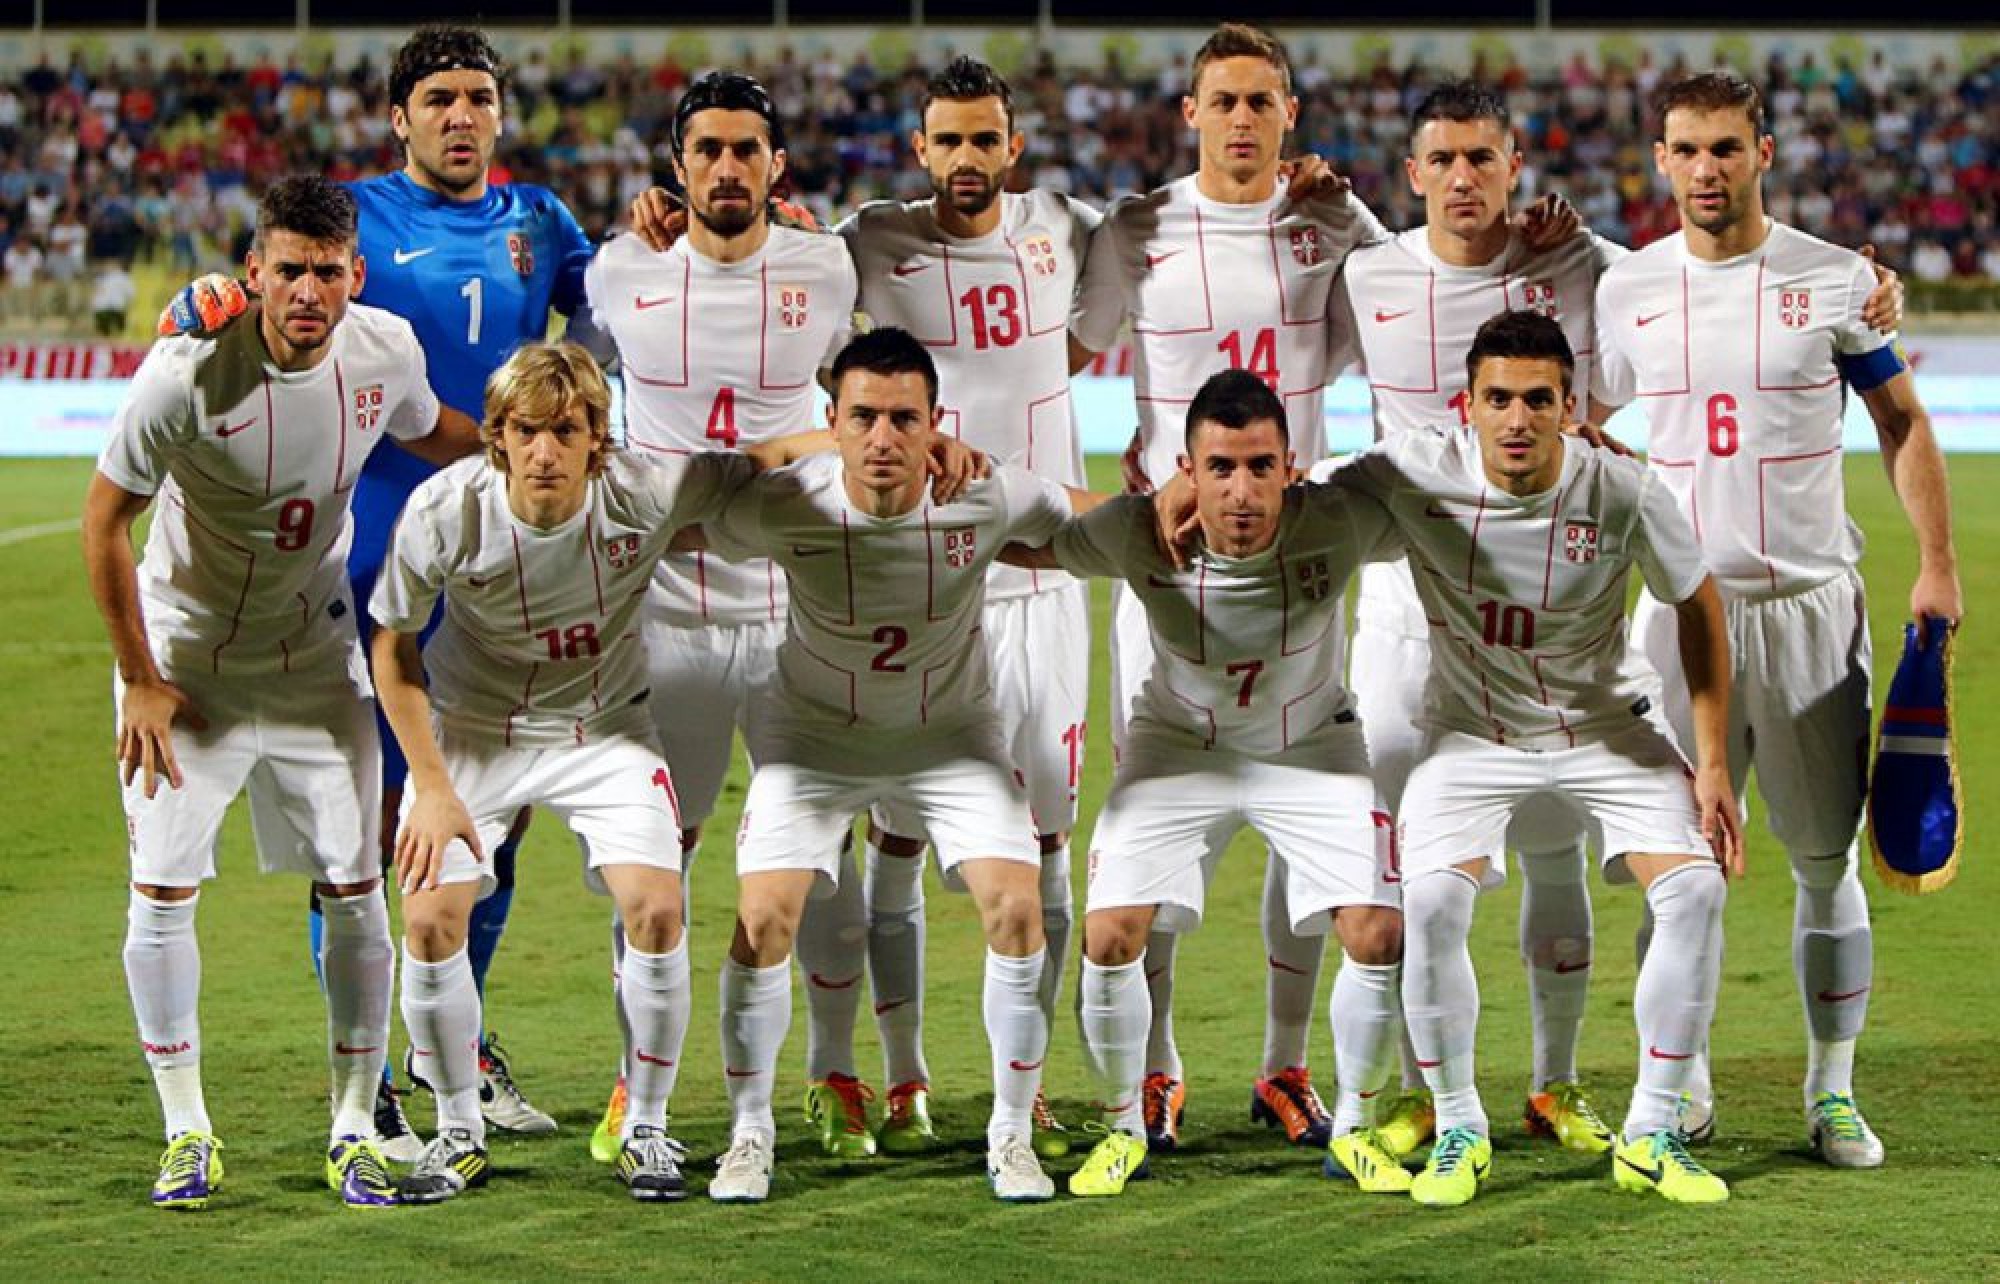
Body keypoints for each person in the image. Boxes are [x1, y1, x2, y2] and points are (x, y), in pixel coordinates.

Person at [161, 24, 596, 1148]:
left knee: (494, 815)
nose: (462, 116)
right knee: (370, 832)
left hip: (508, 564)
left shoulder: (542, 222)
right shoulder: (352, 221)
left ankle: (455, 1046)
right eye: (439, 98)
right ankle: (372, 1080)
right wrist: (205, 295)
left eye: (479, 97)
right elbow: (247, 293)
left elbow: (628, 298)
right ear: (399, 117)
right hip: (371, 565)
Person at [370, 343, 868, 1205]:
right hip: (474, 733)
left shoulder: (643, 490)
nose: (545, 452)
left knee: (657, 908)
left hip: (604, 729)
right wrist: (433, 786)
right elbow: (392, 647)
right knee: (428, 920)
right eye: (526, 431)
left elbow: (756, 464)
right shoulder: (445, 511)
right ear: (497, 435)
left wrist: (851, 440)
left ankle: (647, 1124)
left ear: (598, 439)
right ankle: (456, 1129)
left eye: (566, 432)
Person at [80, 175, 480, 1211]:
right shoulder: (184, 372)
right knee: (163, 891)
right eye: (290, 269)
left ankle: (354, 1127)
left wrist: (533, 445)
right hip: (189, 665)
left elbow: (433, 428)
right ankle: (186, 1132)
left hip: (312, 655)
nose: (310, 291)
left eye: (328, 271)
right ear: (254, 271)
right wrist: (139, 679)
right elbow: (104, 520)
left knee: (356, 885)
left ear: (356, 273)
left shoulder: (383, 351)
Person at [1593, 71, 1960, 1166]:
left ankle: (1830, 1092)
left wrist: (1936, 563)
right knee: (1676, 871)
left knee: (1822, 862)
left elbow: (1901, 422)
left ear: (1761, 151)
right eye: (1685, 149)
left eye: (1725, 147)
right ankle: (1682, 1086)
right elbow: (1580, 415)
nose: (1705, 169)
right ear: (1659, 160)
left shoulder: (1837, 279)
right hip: (1675, 618)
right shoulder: (1627, 288)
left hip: (1807, 611)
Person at [1069, 20, 1394, 1154]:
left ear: (1289, 114)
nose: (1243, 119)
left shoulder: (1327, 225)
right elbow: (1060, 350)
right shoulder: (1136, 228)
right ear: (1191, 113)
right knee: (1156, 829)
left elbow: (1406, 308)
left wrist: (1355, 212)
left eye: (1263, 101)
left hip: (1298, 562)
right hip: (1168, 567)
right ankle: (1156, 1068)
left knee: (1308, 824)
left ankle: (1284, 1065)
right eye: (1225, 100)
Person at [688, 327, 1099, 1205]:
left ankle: (1010, 1135)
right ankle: (750, 1133)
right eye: (862, 417)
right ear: (832, 420)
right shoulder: (787, 502)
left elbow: (1099, 520)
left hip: (948, 737)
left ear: (936, 423)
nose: (882, 438)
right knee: (762, 918)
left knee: (1017, 907)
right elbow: (690, 500)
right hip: (814, 739)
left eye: (904, 419)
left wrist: (1193, 503)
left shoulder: (982, 492)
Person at [1344, 310, 1740, 1207]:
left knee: (1696, 889)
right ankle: (1459, 1126)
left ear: (1571, 407)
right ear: (1467, 405)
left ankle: (1651, 1131)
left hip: (1607, 728)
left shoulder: (1624, 489)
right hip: (1472, 733)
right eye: (1498, 400)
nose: (1516, 419)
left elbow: (1699, 603)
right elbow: (1295, 506)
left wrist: (1711, 761)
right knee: (1429, 900)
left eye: (1537, 400)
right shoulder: (1414, 475)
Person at [1005, 370, 1407, 1198]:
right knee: (1109, 935)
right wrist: (921, 490)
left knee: (1377, 933)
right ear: (1185, 471)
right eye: (1220, 467)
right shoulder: (1135, 530)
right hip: (1178, 750)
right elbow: (1028, 540)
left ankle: (1356, 1129)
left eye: (1261, 466)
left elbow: (1458, 493)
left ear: (1292, 467)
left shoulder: (1339, 517)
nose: (1242, 491)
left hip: (1310, 748)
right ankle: (1123, 1128)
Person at [576, 70, 865, 1165]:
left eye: (748, 149)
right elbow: (565, 392)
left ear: (777, 166)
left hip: (796, 617)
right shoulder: (621, 271)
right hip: (664, 620)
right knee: (656, 860)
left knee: (817, 853)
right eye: (708, 149)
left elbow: (871, 392)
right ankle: (632, 1080)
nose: (728, 167)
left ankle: (832, 1071)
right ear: (677, 166)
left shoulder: (826, 267)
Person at [833, 54, 1100, 1160]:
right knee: (896, 830)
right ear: (919, 149)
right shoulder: (868, 241)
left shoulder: (1067, 226)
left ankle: (1028, 1085)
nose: (966, 158)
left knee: (1046, 840)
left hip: (1041, 588)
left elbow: (1184, 231)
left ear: (1013, 146)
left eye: (984, 138)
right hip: (925, 587)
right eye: (946, 140)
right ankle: (904, 1076)